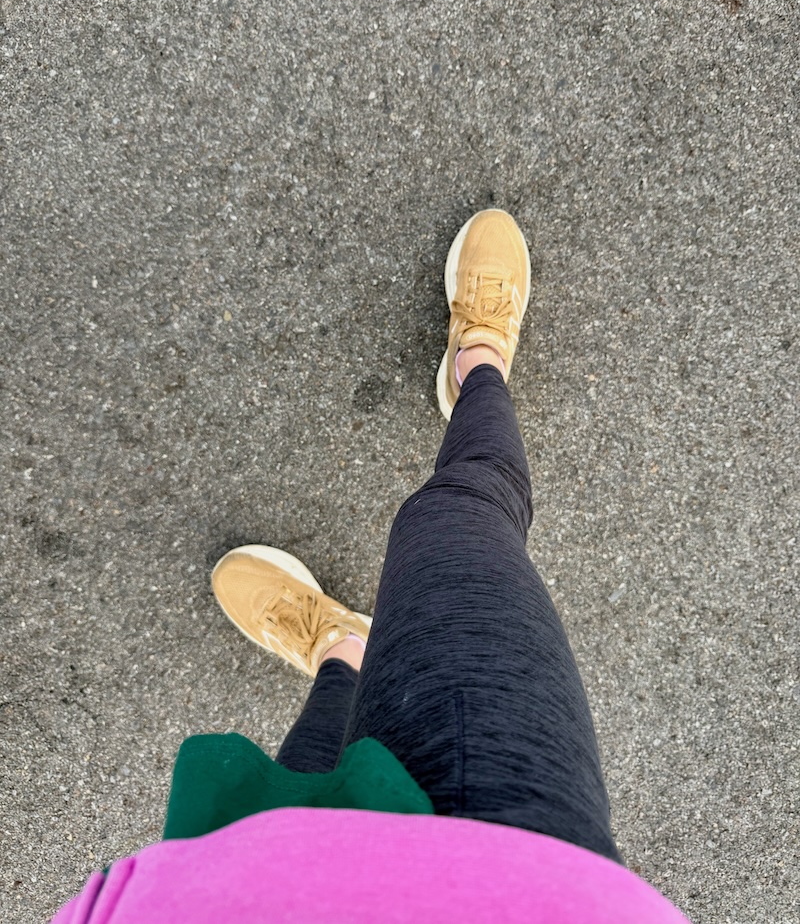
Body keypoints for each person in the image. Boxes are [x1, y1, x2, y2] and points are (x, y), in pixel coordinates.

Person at [52, 210, 689, 922]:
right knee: (458, 516)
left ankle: (342, 648)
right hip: (519, 880)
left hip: (245, 898)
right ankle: (479, 366)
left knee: (311, 771)